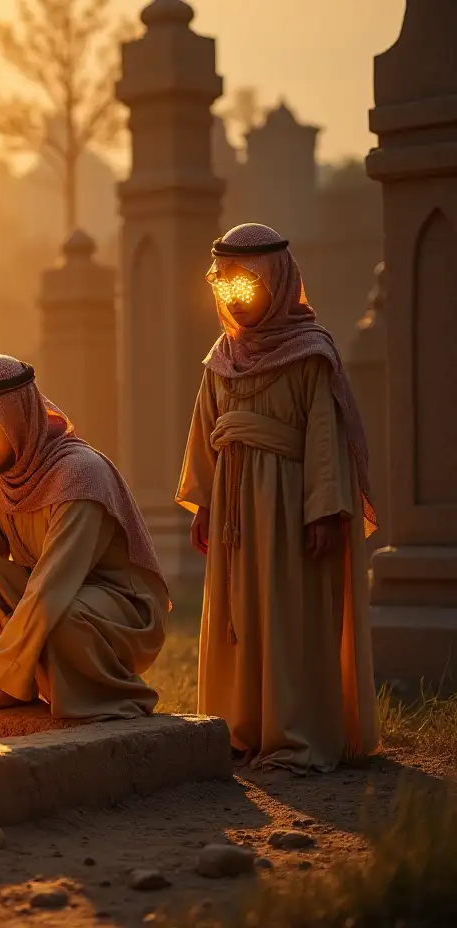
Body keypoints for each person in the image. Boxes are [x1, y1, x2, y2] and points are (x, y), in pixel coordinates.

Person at [176, 222, 380, 773]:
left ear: (280, 283)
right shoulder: (220, 357)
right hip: (234, 509)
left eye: (249, 286)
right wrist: (205, 503)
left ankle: (294, 737)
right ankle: (238, 731)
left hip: (290, 507)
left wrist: (323, 511)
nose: (236, 300)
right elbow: (205, 429)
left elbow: (324, 439)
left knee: (288, 615)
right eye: (227, 287)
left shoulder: (312, 354)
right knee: (237, 617)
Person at [0, 354, 169, 734]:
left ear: (18, 418)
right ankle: (6, 691)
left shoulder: (79, 475)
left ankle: (106, 697)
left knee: (63, 614)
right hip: (54, 599)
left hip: (119, 613)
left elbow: (52, 585)